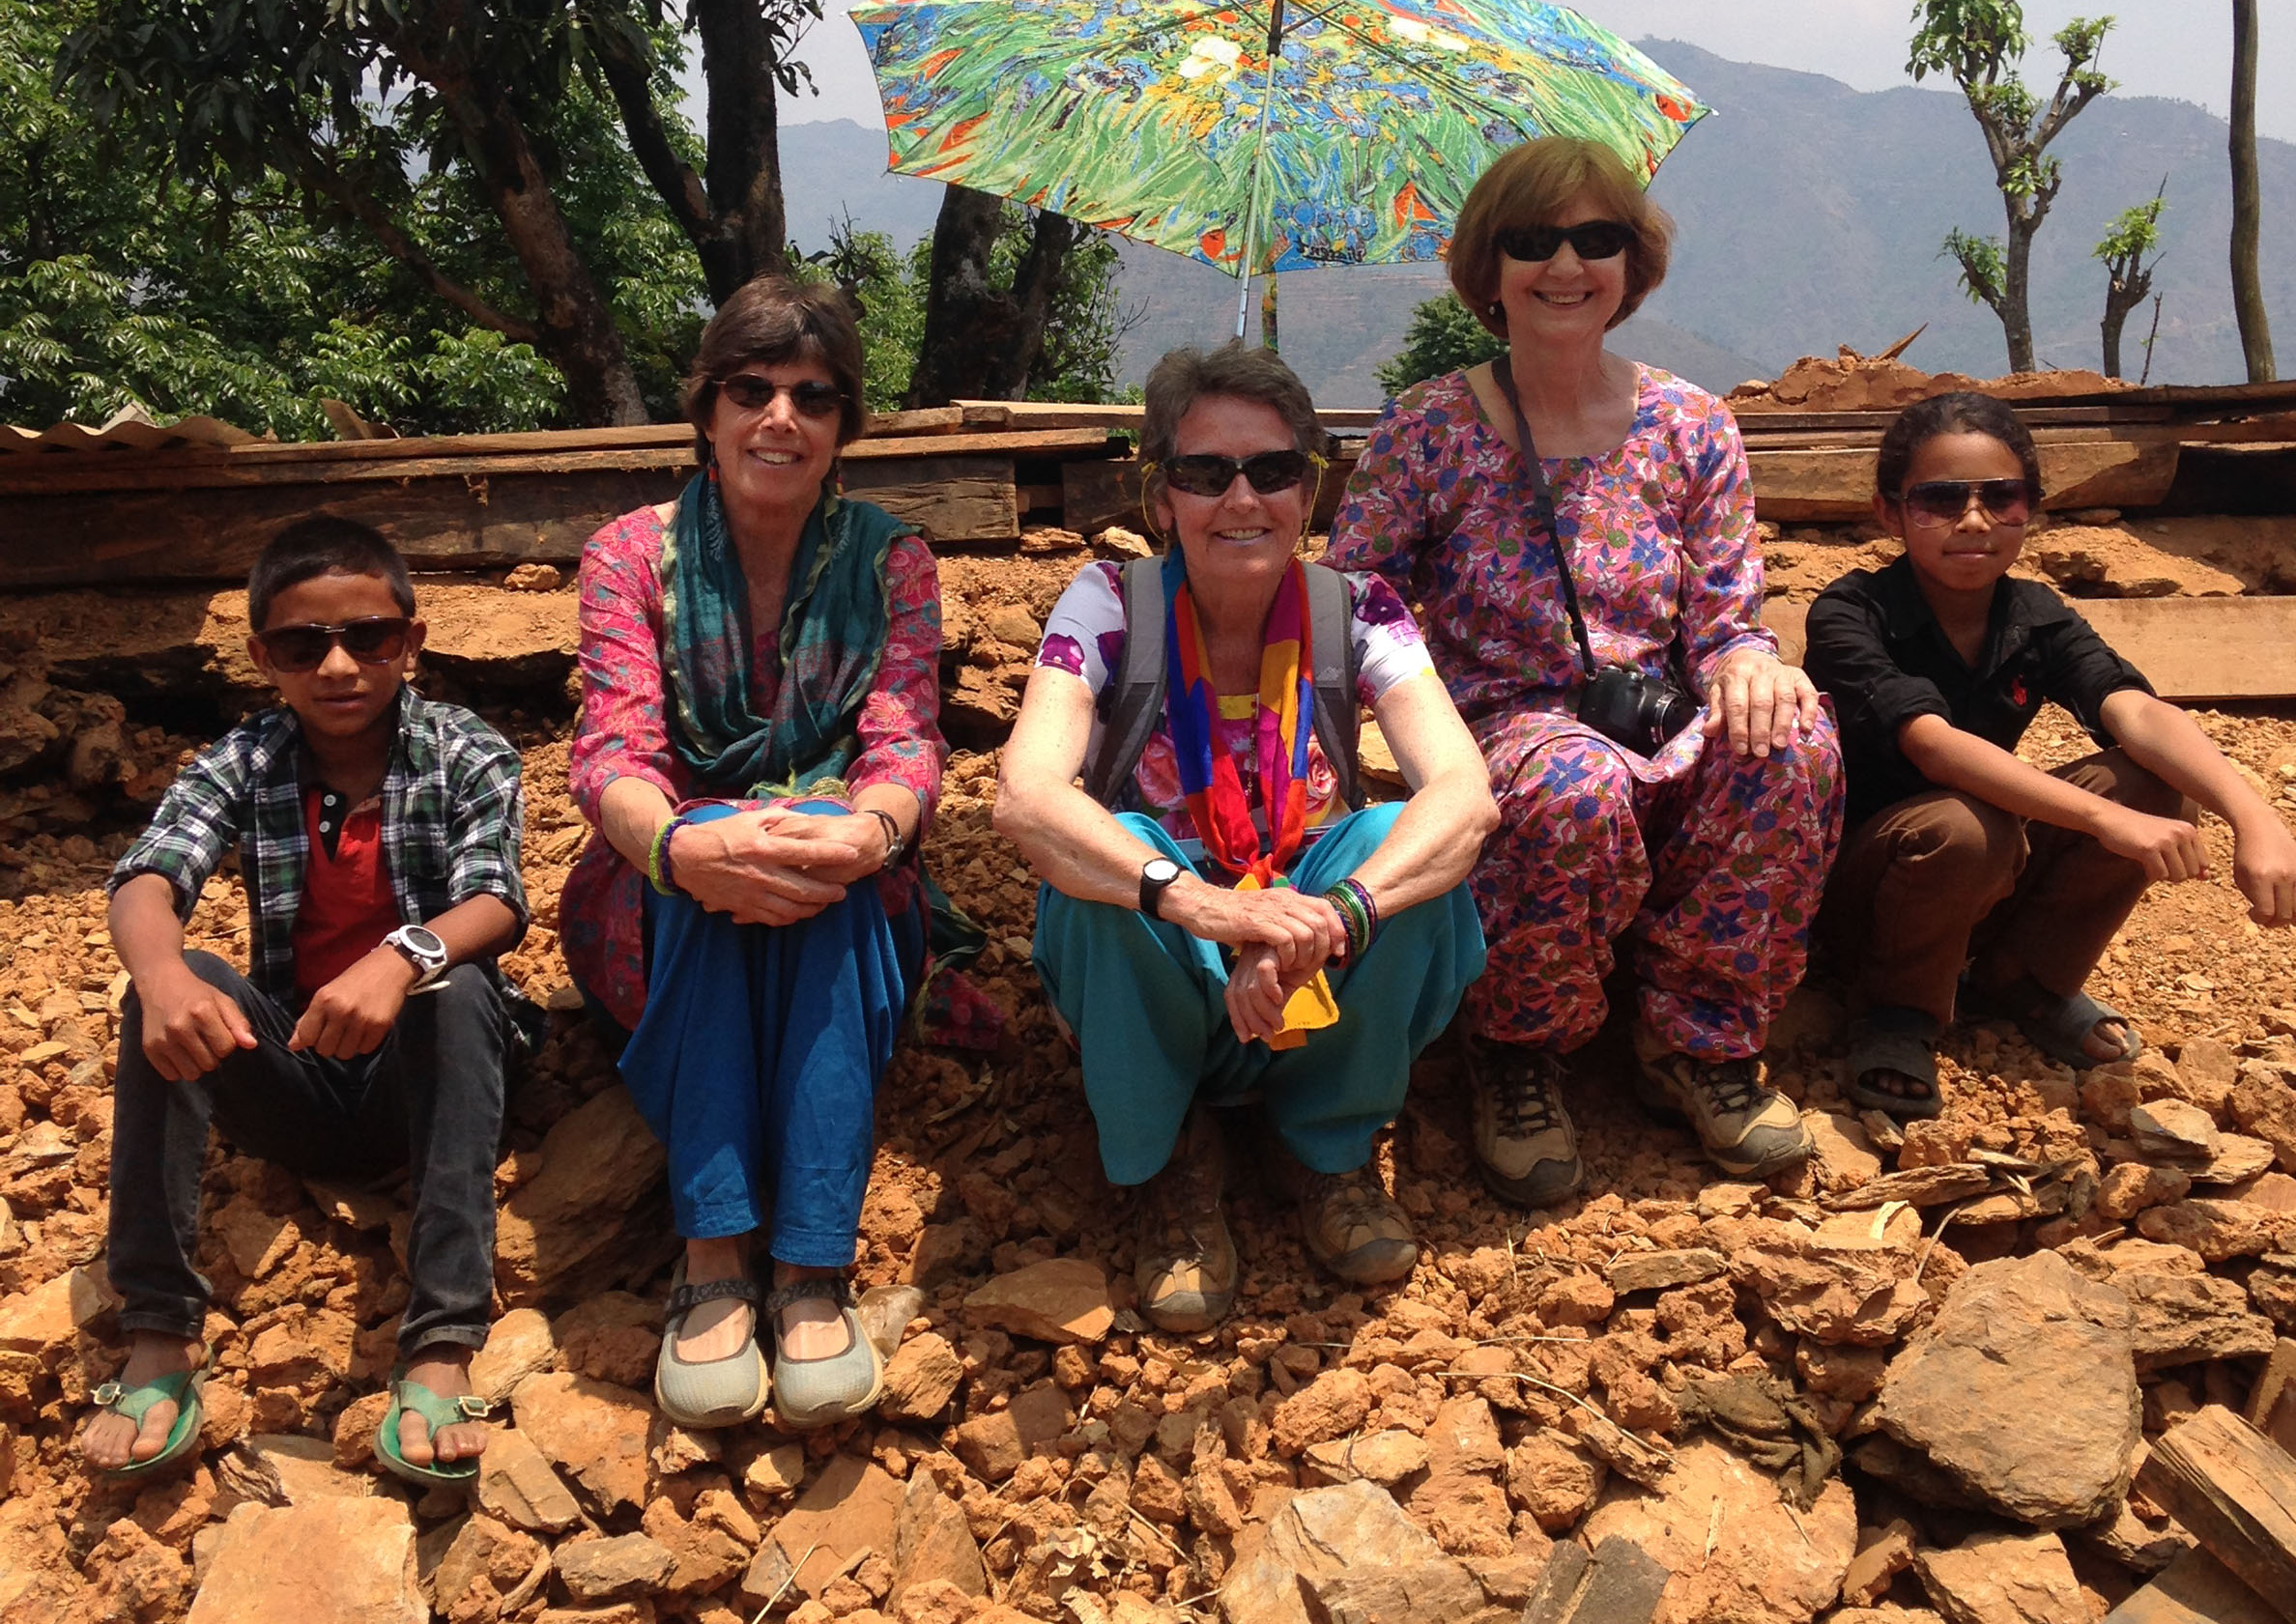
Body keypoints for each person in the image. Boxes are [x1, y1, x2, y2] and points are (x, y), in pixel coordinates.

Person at [1327, 137, 1844, 1201]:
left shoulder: (1691, 424)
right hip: (1504, 716)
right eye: (1533, 240)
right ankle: (1519, 1048)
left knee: (1792, 737)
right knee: (1573, 781)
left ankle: (1698, 1042)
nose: (1566, 264)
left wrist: (1749, 660)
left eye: (1595, 237)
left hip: (1655, 703)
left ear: (1631, 261)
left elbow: (1727, 608)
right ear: (1489, 267)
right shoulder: (1431, 426)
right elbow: (1355, 602)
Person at [995, 343, 1495, 1329]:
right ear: (1161, 497)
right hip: (1172, 958)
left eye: (1273, 470)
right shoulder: (1108, 604)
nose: (1242, 498)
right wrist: (1205, 906)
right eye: (1204, 472)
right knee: (1111, 850)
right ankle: (1174, 1154)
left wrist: (1330, 914)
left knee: (1404, 842)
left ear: (1306, 491)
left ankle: (1330, 1145)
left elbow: (1465, 795)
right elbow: (1026, 795)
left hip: (1313, 948)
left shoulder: (1358, 610)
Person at [561, 275, 944, 1432]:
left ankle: (811, 1263)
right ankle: (717, 1246)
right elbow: (612, 750)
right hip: (657, 892)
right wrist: (687, 844)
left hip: (841, 876)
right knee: (716, 876)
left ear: (843, 427)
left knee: (820, 865)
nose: (782, 417)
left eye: (814, 397)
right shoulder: (632, 555)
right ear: (709, 409)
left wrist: (861, 830)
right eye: (753, 389)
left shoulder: (894, 561)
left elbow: (906, 737)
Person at [90, 514, 529, 1489]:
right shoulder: (244, 759)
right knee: (179, 977)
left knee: (454, 986)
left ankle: (441, 1341)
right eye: (303, 644)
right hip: (301, 1071)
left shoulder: (468, 751)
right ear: (264, 657)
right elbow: (148, 878)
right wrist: (160, 977)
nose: (338, 664)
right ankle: (158, 1333)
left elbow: (496, 898)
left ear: (409, 641)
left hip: (426, 1086)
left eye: (366, 635)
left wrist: (400, 956)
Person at [1806, 391, 2296, 1117]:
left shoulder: (2034, 615)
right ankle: (1896, 1013)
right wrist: (2102, 823)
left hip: (1985, 870)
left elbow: (2135, 710)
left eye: (2002, 498)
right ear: (1891, 513)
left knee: (2146, 784)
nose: (1974, 521)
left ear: (2032, 509)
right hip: (1871, 891)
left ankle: (2024, 982)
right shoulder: (1851, 613)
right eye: (1940, 501)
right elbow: (1934, 746)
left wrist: (2253, 817)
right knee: (1964, 823)